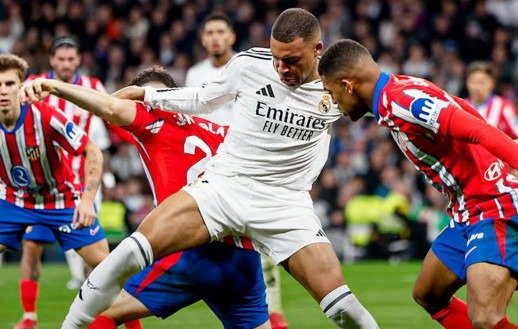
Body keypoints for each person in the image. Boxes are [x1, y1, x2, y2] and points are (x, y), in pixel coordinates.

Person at [26, 8, 379, 329]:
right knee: (129, 252)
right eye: (277, 60)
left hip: (285, 204)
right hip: (226, 186)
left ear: (318, 50)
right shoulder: (250, 65)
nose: (282, 69)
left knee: (342, 306)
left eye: (292, 60)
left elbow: (388, 104)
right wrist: (149, 97)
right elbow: (202, 98)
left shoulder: (338, 85)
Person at [317, 39, 518, 329]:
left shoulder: (402, 103)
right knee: (429, 294)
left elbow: (476, 128)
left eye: (331, 92)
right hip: (465, 211)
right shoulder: (399, 88)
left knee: (486, 320)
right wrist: (495, 154)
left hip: (494, 207)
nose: (333, 102)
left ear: (348, 85)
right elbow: (461, 108)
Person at [26, 65, 271, 329]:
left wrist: (54, 87)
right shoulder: (218, 130)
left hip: (190, 245)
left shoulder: (152, 121)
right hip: (243, 252)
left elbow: (109, 108)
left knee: (103, 311)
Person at [186, 13, 288, 327]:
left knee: (261, 240)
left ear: (231, 36)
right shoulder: (195, 74)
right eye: (210, 32)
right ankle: (242, 310)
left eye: (221, 31)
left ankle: (275, 310)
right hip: (211, 169)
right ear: (203, 39)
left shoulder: (248, 66)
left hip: (250, 163)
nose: (215, 37)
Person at [0, 54, 109, 328]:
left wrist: (87, 200)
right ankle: (28, 318)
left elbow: (91, 150)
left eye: (9, 83)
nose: (2, 90)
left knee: (109, 269)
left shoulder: (44, 115)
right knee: (31, 251)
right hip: (15, 200)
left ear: (21, 85)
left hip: (61, 200)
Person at [465, 61, 518, 139]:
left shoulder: (505, 107)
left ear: (492, 84)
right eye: (473, 82)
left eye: (482, 82)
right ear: (467, 83)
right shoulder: (460, 107)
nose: (477, 87)